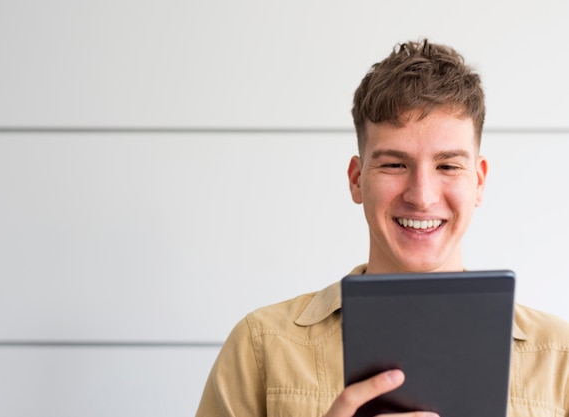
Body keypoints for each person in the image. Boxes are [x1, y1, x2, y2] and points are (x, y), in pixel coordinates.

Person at [195, 39, 569, 417]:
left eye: (448, 166)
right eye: (393, 165)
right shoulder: (262, 345)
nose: (421, 197)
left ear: (479, 181)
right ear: (357, 180)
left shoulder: (560, 357)